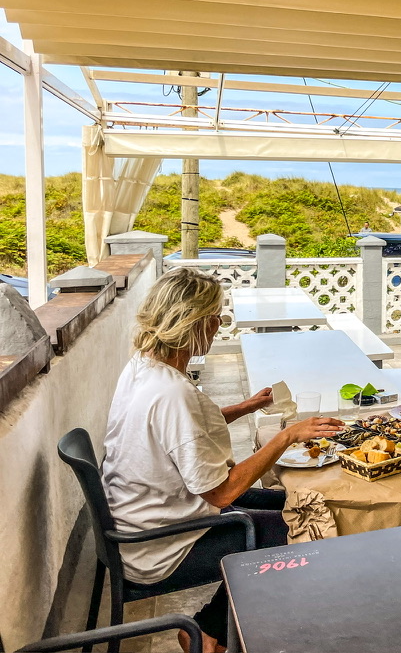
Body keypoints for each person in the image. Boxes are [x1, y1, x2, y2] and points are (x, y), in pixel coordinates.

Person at [101, 267, 342, 653]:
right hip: (159, 545)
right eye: (216, 317)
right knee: (302, 529)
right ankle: (209, 631)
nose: (219, 326)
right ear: (194, 323)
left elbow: (185, 433)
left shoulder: (142, 367)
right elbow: (221, 492)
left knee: (296, 502)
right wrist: (287, 436)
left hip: (148, 516)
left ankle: (221, 626)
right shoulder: (172, 394)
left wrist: (247, 407)